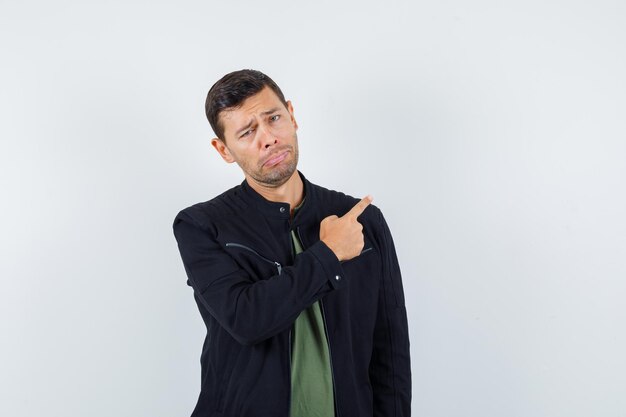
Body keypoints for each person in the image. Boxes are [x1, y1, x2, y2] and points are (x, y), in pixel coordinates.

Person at [172, 69, 411, 417]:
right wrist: (328, 254)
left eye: (273, 118)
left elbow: (389, 350)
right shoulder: (201, 226)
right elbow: (247, 320)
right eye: (247, 132)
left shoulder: (360, 220)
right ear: (224, 150)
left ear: (292, 115)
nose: (267, 138)